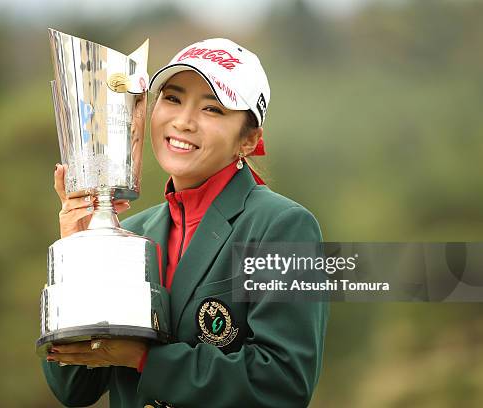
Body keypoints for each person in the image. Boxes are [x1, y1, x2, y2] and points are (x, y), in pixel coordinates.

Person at [41, 38, 328, 408]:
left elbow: (283, 382)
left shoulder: (283, 227)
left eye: (212, 109)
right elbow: (73, 389)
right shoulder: (134, 235)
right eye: (172, 98)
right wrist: (79, 260)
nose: (183, 121)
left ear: (249, 140)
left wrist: (145, 359)